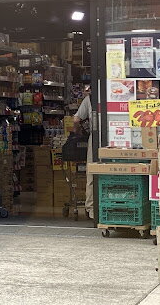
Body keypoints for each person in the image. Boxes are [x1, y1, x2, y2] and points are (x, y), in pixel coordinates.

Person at [73, 85, 94, 219]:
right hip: (116, 138)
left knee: (91, 172)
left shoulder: (89, 99)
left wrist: (77, 131)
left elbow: (76, 119)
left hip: (95, 138)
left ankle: (91, 208)